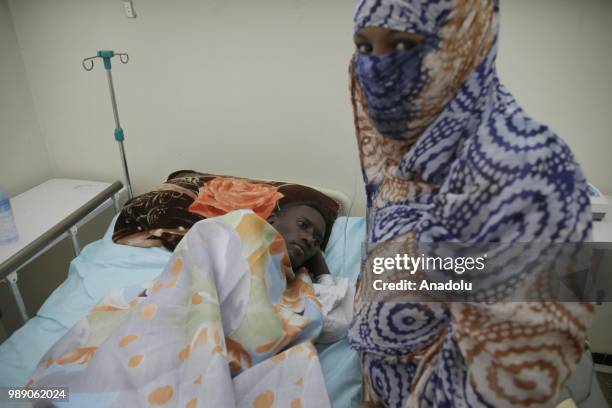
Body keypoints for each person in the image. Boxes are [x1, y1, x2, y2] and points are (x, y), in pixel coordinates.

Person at [347, 1, 594, 407]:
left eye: (403, 43)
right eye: (365, 47)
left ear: (463, 43)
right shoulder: (403, 154)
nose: (376, 68)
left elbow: (513, 377)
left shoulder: (529, 168)